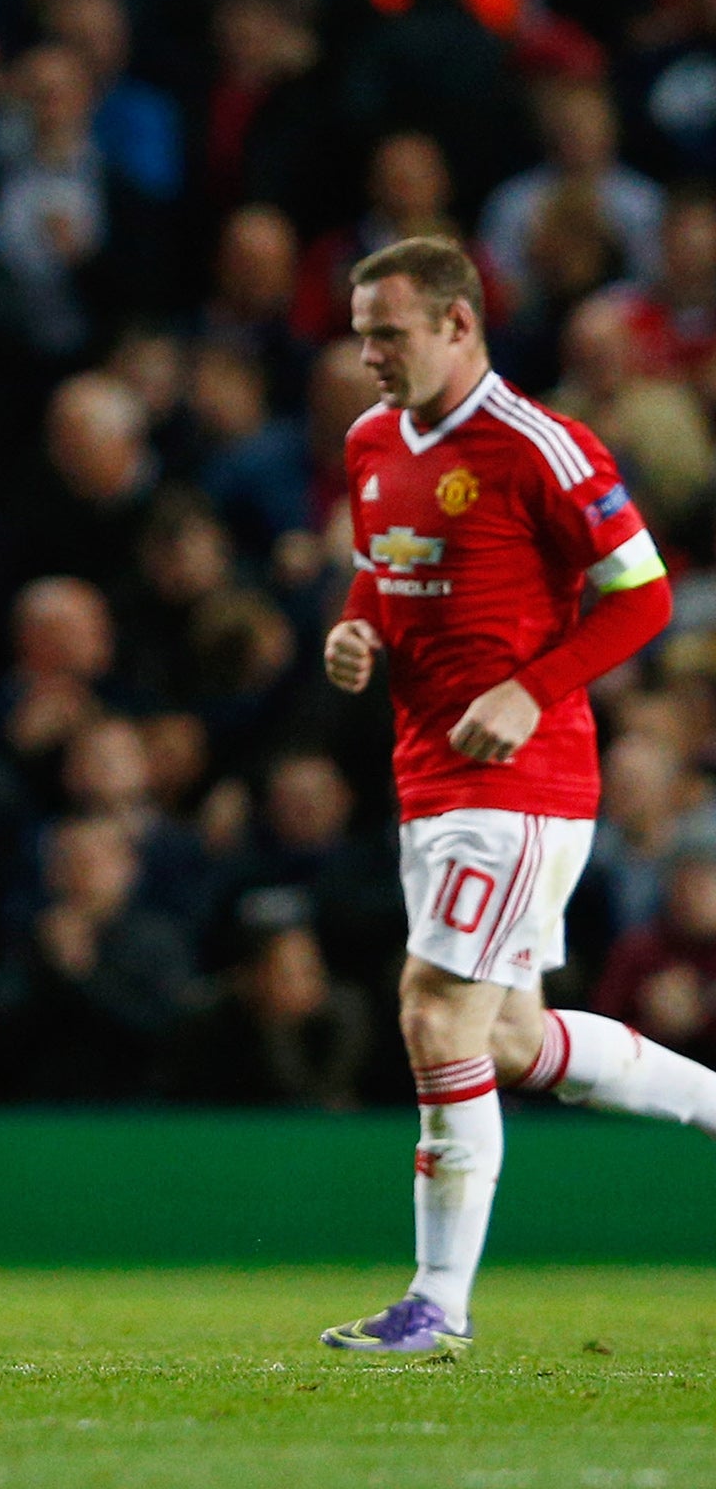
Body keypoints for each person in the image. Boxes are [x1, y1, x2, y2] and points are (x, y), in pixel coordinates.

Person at [319, 237, 716, 1356]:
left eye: (387, 332)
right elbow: (382, 559)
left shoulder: (535, 444)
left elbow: (639, 595)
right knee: (502, 1038)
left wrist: (527, 689)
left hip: (519, 778)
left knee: (430, 1009)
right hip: (425, 774)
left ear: (456, 324)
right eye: (360, 332)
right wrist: (358, 626)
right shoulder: (368, 441)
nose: (368, 355)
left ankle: (435, 1305)